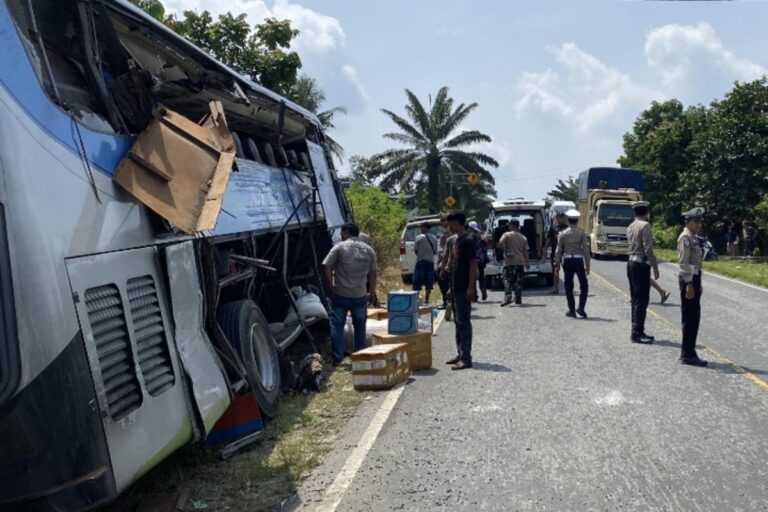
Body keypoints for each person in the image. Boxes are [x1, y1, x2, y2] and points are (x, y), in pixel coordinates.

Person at [322, 223, 378, 366]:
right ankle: (359, 356)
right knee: (360, 326)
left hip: (340, 294)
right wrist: (371, 291)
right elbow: (373, 273)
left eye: (342, 233)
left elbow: (326, 265)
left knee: (337, 325)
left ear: (346, 232)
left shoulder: (339, 248)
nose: (341, 235)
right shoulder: (368, 250)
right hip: (359, 295)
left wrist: (331, 284)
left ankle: (338, 358)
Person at [445, 212, 477, 370]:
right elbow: (454, 266)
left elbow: (473, 265)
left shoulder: (468, 240)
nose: (448, 227)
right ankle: (460, 353)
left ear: (457, 223)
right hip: (456, 286)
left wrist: (471, 287)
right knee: (457, 322)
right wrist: (451, 287)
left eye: (449, 224)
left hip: (464, 287)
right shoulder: (456, 241)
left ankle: (466, 358)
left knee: (464, 322)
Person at [678, 207, 707, 366]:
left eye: (700, 222)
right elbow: (684, 263)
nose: (698, 225)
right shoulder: (685, 238)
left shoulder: (694, 237)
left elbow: (696, 263)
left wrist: (698, 283)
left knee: (694, 317)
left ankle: (689, 351)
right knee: (690, 317)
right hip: (688, 280)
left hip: (694, 279)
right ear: (687, 221)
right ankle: (687, 353)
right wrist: (689, 283)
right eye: (696, 222)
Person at [626, 201, 658, 344]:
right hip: (641, 264)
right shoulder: (645, 226)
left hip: (631, 262)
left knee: (635, 298)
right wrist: (655, 266)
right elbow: (648, 248)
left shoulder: (631, 226)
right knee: (642, 299)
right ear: (646, 212)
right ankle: (637, 332)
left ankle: (637, 329)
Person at [555, 209, 590, 318]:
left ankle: (571, 310)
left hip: (567, 260)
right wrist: (587, 265)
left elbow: (558, 250)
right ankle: (581, 307)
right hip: (578, 260)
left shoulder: (563, 233)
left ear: (568, 220)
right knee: (584, 284)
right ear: (577, 220)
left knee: (568, 285)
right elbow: (585, 250)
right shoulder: (581, 233)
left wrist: (556, 264)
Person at [498, 219, 530, 306]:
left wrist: (506, 250)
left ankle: (508, 298)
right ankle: (518, 298)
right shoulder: (523, 237)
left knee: (506, 279)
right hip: (520, 261)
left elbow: (501, 242)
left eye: (509, 225)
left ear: (512, 225)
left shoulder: (506, 235)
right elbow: (525, 251)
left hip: (509, 261)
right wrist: (527, 262)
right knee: (518, 281)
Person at [541, 212, 568, 294]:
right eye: (558, 217)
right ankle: (555, 288)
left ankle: (568, 287)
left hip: (565, 252)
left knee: (567, 271)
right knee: (556, 270)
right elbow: (548, 240)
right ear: (556, 218)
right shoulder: (553, 228)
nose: (560, 218)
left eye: (562, 217)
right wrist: (545, 250)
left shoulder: (567, 228)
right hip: (555, 252)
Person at [412, 223, 438, 305]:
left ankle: (416, 300)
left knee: (417, 282)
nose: (421, 229)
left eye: (422, 227)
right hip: (430, 262)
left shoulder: (418, 238)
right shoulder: (434, 238)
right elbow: (435, 251)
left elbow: (416, 251)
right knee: (429, 282)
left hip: (420, 261)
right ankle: (427, 300)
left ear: (424, 228)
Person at [468, 221, 488, 301]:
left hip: (473, 259)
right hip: (481, 260)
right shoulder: (480, 235)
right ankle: (483, 289)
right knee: (481, 277)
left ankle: (475, 296)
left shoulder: (469, 236)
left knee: (472, 277)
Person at [436, 214, 452, 309]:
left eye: (444, 220)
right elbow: (441, 248)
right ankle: (445, 299)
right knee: (440, 276)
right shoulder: (443, 233)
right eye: (441, 220)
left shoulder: (451, 232)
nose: (442, 222)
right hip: (444, 259)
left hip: (451, 259)